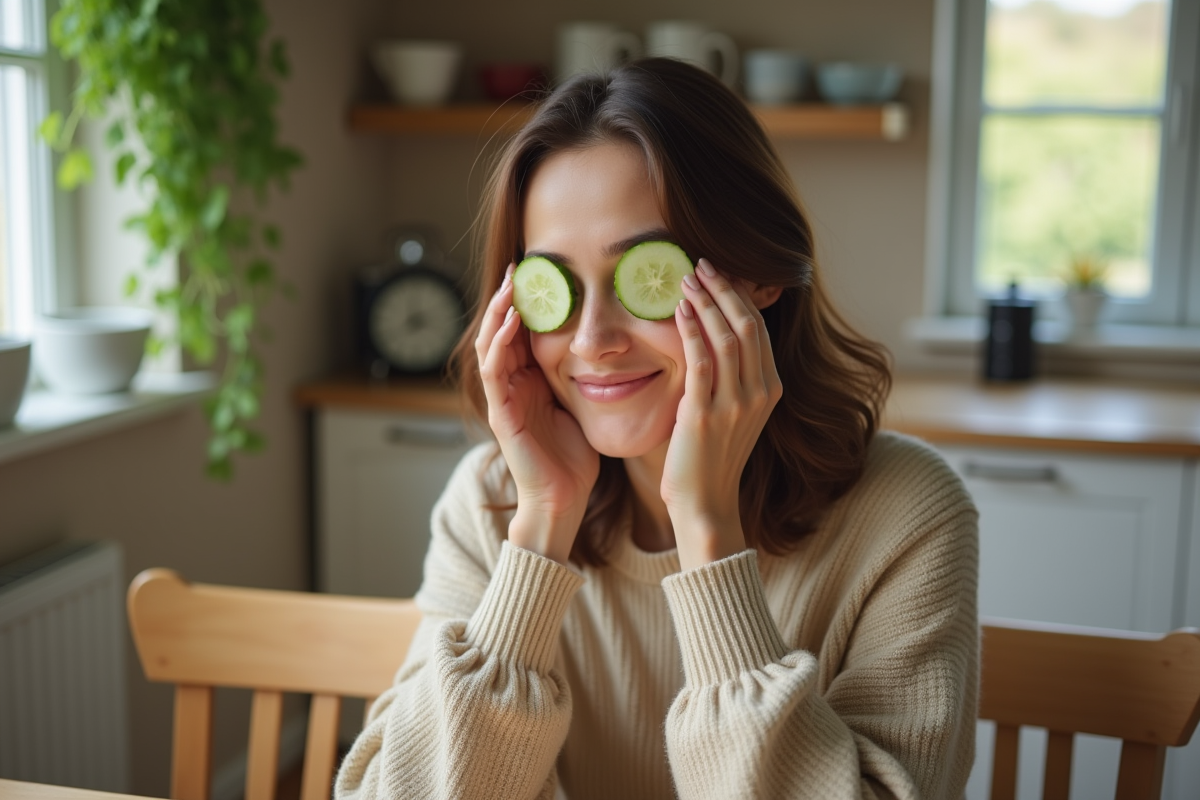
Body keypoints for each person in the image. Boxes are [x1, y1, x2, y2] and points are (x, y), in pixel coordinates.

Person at [335, 57, 979, 800]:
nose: (591, 341)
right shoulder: (489, 506)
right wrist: (542, 525)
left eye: (646, 278)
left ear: (760, 275)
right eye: (555, 286)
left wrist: (707, 533)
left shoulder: (908, 515)